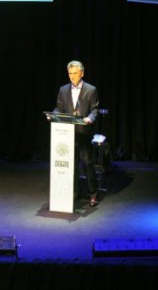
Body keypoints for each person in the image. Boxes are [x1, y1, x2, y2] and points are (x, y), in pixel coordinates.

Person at [53, 60, 99, 206]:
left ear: (82, 73)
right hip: (67, 134)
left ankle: (93, 193)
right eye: (70, 74)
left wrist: (90, 119)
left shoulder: (91, 90)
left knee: (87, 163)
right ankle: (73, 192)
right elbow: (58, 108)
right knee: (70, 164)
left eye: (75, 74)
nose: (72, 77)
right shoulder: (63, 89)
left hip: (84, 132)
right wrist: (52, 115)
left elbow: (95, 110)